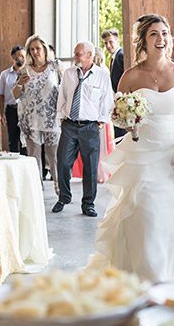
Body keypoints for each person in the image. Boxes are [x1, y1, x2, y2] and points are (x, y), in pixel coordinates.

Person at [93, 14, 174, 284]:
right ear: (144, 40)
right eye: (154, 34)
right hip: (142, 155)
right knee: (147, 218)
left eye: (164, 33)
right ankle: (149, 280)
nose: (160, 39)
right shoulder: (130, 76)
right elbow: (119, 116)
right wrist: (130, 123)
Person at [53, 41, 114, 216]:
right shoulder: (69, 73)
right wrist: (61, 118)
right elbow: (62, 96)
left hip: (90, 127)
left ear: (89, 55)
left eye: (78, 53)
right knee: (63, 162)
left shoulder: (102, 75)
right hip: (70, 125)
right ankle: (64, 197)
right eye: (75, 53)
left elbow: (107, 100)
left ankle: (88, 204)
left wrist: (100, 121)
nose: (75, 56)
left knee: (90, 167)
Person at [12, 35, 60, 185]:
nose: (35, 52)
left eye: (38, 48)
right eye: (31, 49)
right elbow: (15, 95)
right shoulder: (24, 70)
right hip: (30, 119)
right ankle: (37, 191)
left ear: (44, 49)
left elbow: (65, 89)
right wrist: (19, 84)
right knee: (34, 157)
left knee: (54, 156)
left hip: (51, 118)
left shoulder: (55, 66)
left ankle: (61, 191)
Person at [0, 44, 26, 153]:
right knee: (13, 140)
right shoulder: (5, 75)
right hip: (11, 110)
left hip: (25, 111)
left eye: (23, 56)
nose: (22, 58)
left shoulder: (29, 73)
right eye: (19, 56)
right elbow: (0, 94)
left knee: (25, 141)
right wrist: (1, 113)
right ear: (13, 57)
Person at [101, 28, 125, 136]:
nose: (108, 45)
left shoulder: (121, 55)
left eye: (111, 42)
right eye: (106, 43)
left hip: (122, 101)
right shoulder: (114, 57)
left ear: (118, 41)